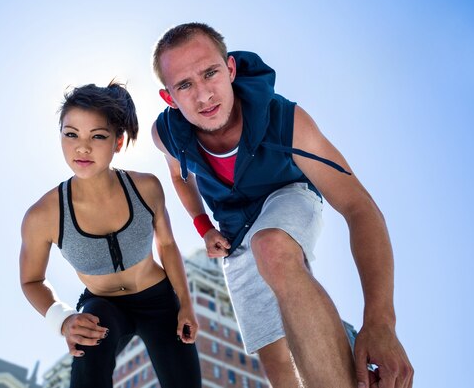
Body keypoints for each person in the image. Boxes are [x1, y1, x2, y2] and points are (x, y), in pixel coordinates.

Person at [151, 22, 413, 388]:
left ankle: (355, 344)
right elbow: (180, 176)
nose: (204, 95)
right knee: (280, 368)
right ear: (170, 98)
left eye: (210, 73)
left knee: (271, 245)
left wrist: (381, 322)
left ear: (230, 70)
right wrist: (202, 225)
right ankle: (343, 340)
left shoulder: (286, 122)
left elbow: (359, 206)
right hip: (233, 233)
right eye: (185, 85)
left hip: (287, 194)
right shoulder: (166, 135)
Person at [20, 82, 202, 388]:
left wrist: (185, 303)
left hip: (158, 301)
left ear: (118, 142)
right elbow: (31, 280)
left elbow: (167, 245)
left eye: (98, 136)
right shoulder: (43, 215)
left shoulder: (146, 188)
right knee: (87, 363)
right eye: (71, 134)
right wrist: (63, 320)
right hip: (103, 305)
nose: (82, 147)